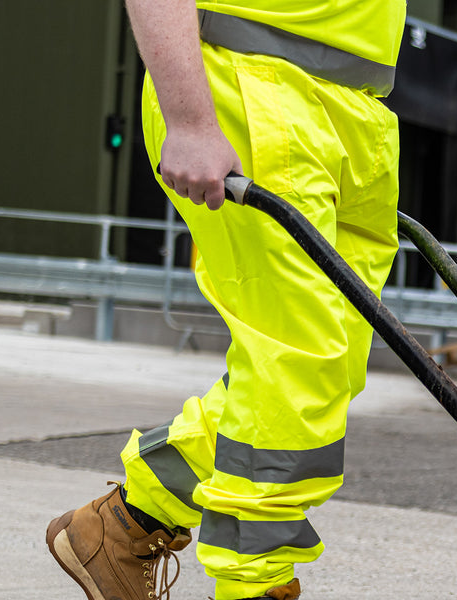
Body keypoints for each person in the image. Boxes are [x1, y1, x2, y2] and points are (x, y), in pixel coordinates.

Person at [46, 1, 406, 599]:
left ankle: (123, 524)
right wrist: (189, 119)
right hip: (256, 86)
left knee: (320, 377)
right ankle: (253, 586)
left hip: (359, 111)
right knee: (299, 369)